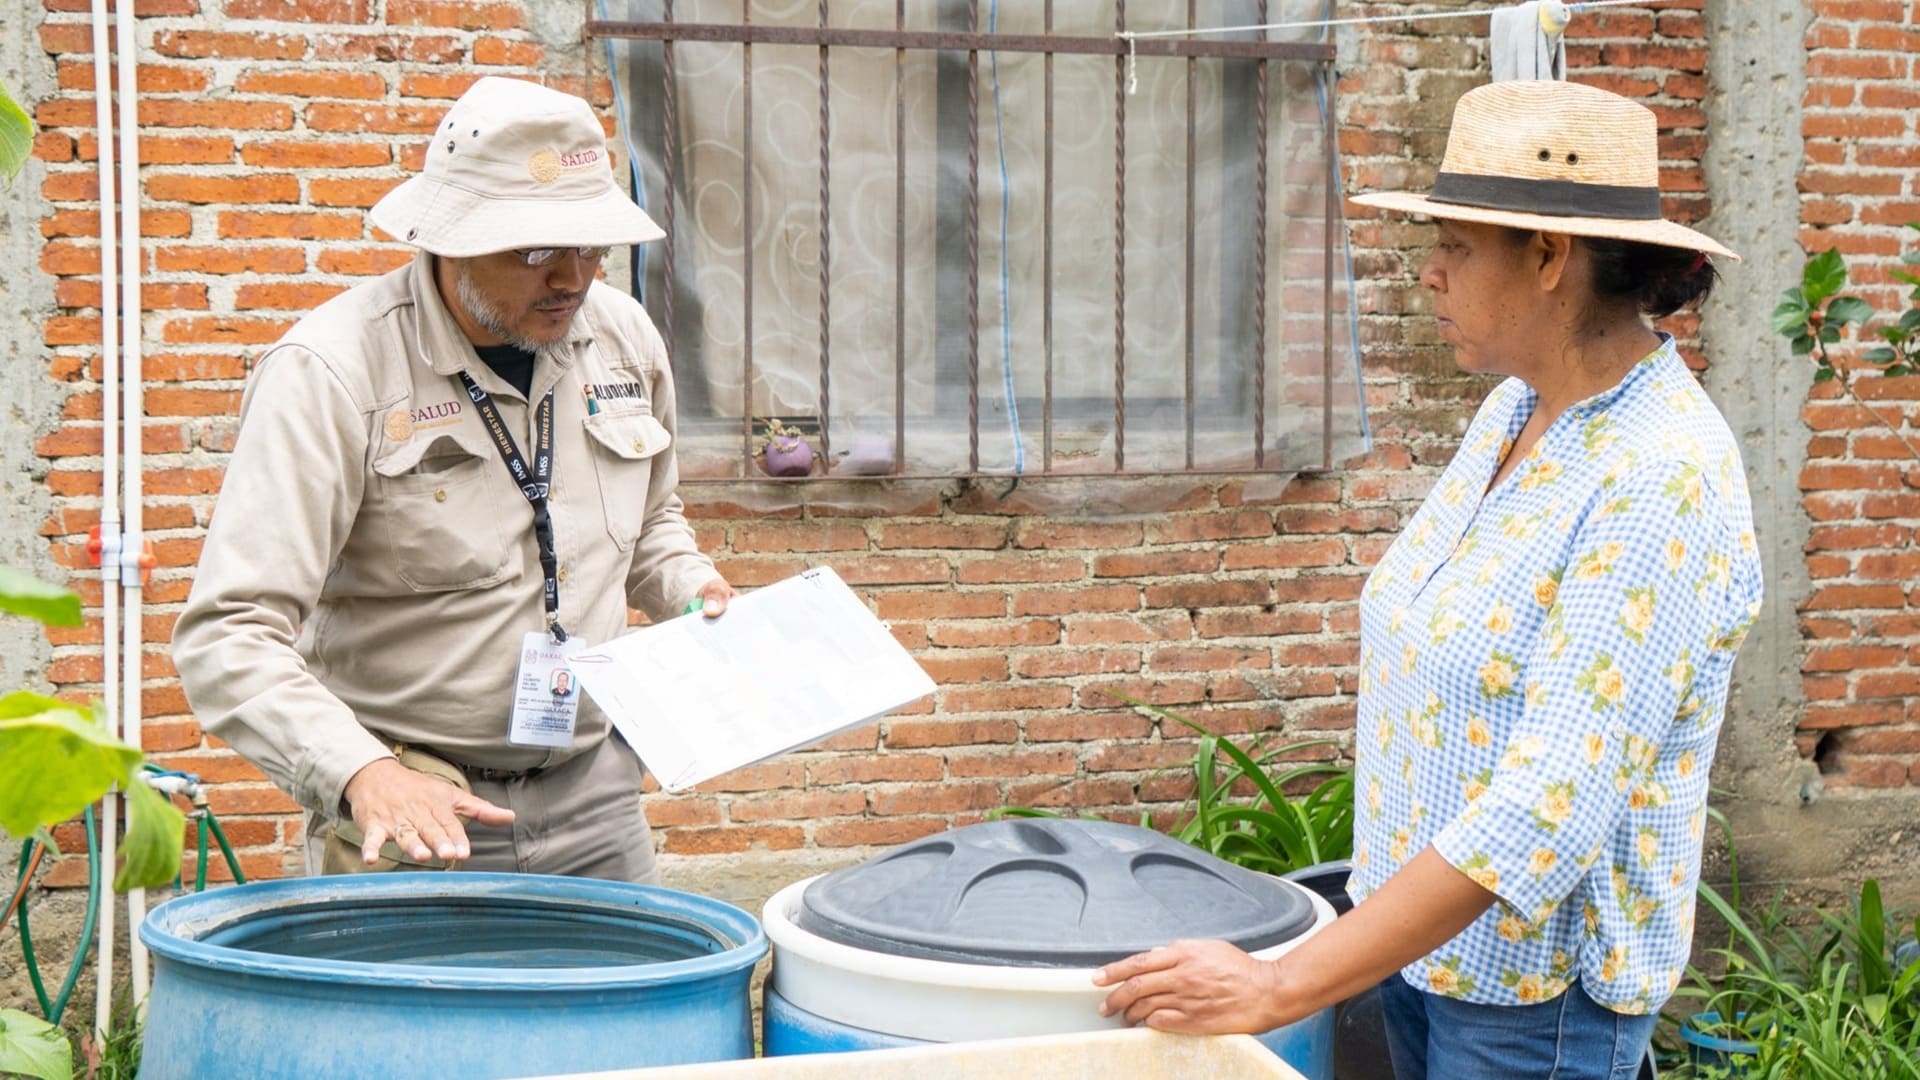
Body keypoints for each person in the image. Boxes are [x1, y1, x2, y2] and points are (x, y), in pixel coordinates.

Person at [1094, 79, 1765, 1079]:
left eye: (1455, 245)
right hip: (1421, 955)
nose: (1430, 274)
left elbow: (1548, 804)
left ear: (1549, 257)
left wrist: (1280, 984)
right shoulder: (1514, 412)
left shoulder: (1658, 477)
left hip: (1532, 1008)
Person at [173, 76, 734, 882]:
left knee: (603, 1010)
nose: (573, 278)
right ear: (451, 238)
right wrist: (361, 775)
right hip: (420, 818)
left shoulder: (623, 337)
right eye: (537, 250)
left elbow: (653, 521)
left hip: (598, 802)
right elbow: (228, 633)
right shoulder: (332, 372)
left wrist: (692, 586)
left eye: (591, 245)